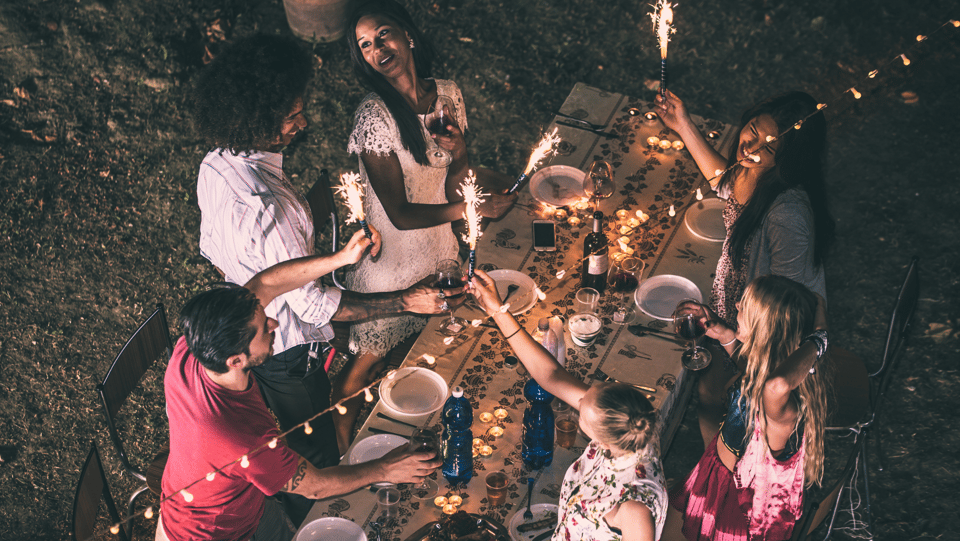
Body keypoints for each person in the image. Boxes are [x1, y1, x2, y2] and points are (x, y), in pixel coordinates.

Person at [190, 33, 451, 477]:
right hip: (288, 350)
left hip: (247, 324)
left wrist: (316, 260)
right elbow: (314, 306)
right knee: (312, 447)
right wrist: (407, 300)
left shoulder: (215, 163)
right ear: (258, 120)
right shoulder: (270, 208)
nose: (303, 122)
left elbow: (213, 250)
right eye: (292, 115)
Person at [158, 235, 440, 541]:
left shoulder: (193, 350)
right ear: (236, 360)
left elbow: (265, 284)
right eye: (263, 326)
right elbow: (315, 485)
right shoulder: (243, 439)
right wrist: (385, 469)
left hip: (241, 505)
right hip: (213, 534)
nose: (273, 324)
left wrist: (342, 258)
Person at [337, 0, 515, 446]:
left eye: (382, 35)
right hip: (391, 262)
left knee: (450, 348)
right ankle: (340, 444)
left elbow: (455, 180)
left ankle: (428, 429)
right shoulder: (374, 117)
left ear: (407, 35)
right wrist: (469, 212)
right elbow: (398, 213)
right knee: (359, 375)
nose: (377, 48)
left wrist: (459, 153)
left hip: (441, 252)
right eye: (365, 46)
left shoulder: (448, 94)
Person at [656, 90, 835, 443]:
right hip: (733, 315)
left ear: (785, 159)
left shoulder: (788, 216)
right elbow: (726, 181)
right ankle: (715, 464)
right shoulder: (755, 173)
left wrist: (743, 339)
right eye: (751, 129)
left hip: (765, 335)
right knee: (708, 395)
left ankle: (735, 474)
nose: (749, 147)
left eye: (766, 148)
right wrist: (683, 124)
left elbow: (790, 301)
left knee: (734, 405)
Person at [470, 269, 667, 541]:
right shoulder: (630, 424)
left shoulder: (633, 508)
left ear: (600, 437)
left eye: (581, 405)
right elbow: (551, 375)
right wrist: (498, 311)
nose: (577, 398)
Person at [662, 275, 831, 541]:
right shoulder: (768, 371)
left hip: (737, 507)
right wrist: (726, 336)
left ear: (766, 328)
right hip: (715, 476)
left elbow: (774, 385)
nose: (737, 305)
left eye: (745, 307)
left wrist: (819, 338)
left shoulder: (782, 406)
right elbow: (756, 372)